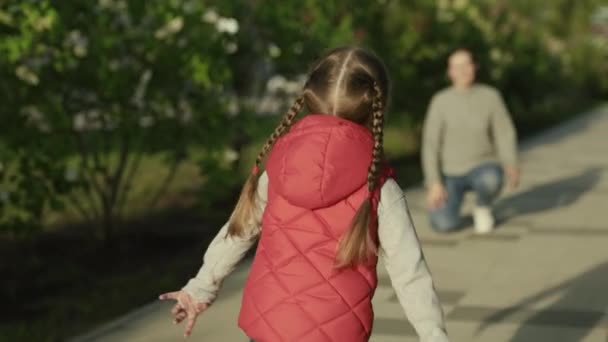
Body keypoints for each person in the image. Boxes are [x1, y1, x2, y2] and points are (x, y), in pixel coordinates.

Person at [159, 47, 449, 342]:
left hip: (269, 327)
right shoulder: (380, 186)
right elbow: (409, 272)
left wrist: (200, 288)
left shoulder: (279, 168)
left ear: (309, 94)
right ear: (378, 106)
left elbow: (239, 231)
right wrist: (434, 335)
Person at [422, 48, 519, 234]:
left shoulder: (490, 96)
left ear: (474, 67)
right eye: (457, 66)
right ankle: (453, 208)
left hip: (482, 166)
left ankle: (482, 207)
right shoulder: (440, 101)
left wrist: (511, 163)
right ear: (450, 72)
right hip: (450, 174)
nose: (463, 70)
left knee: (491, 178)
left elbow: (504, 132)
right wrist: (434, 182)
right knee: (442, 224)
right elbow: (430, 144)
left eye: (467, 64)